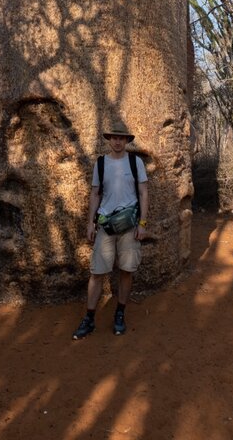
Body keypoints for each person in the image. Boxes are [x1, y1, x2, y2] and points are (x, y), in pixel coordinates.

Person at [72, 121, 150, 339]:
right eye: (114, 137)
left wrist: (142, 224)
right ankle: (89, 318)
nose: (117, 141)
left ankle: (120, 314)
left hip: (130, 226)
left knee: (127, 270)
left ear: (127, 140)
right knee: (97, 272)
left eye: (121, 138)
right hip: (106, 224)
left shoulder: (136, 163)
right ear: (109, 140)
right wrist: (91, 222)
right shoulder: (101, 163)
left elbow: (143, 193)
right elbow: (95, 193)